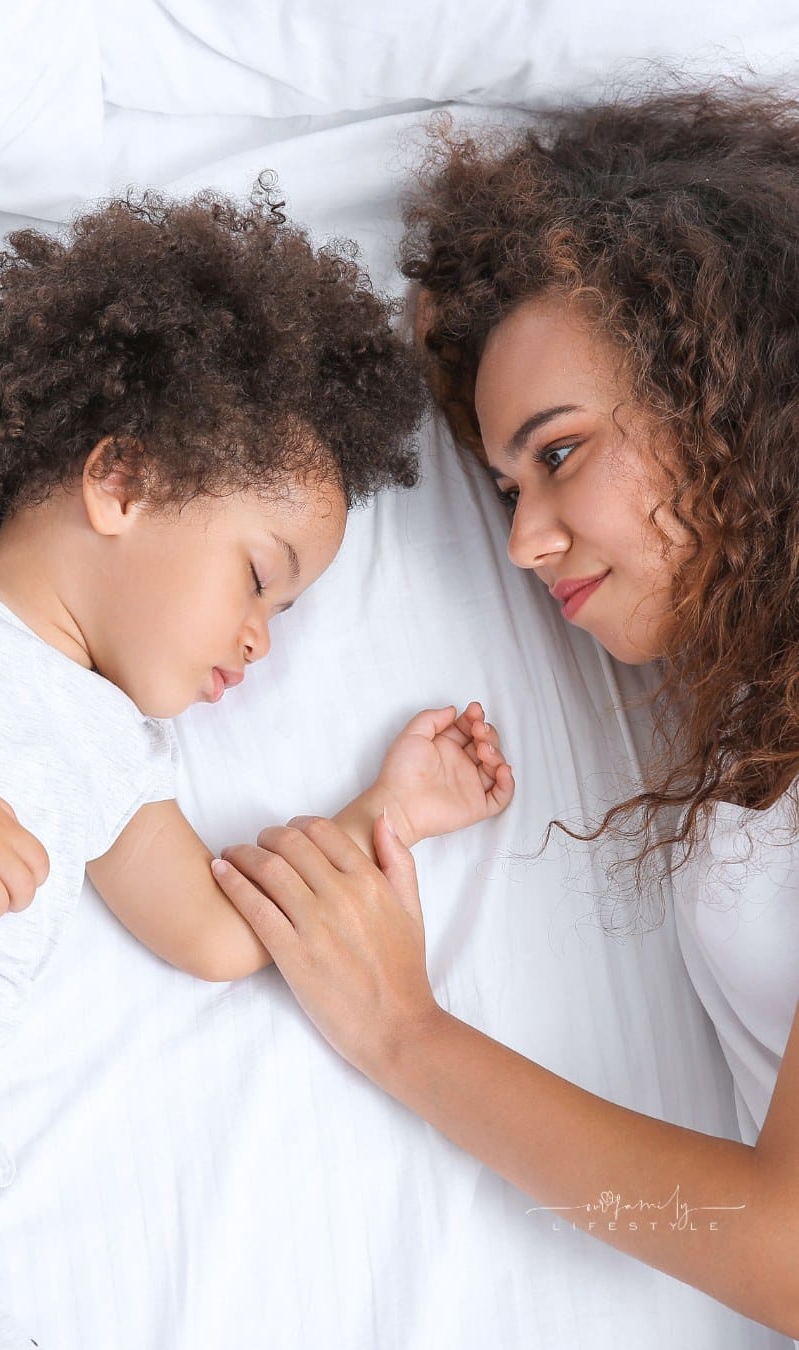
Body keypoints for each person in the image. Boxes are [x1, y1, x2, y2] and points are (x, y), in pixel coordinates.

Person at [208, 89, 799, 1339]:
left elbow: (783, 1250)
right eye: (503, 484)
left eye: (563, 452)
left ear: (734, 400)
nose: (525, 540)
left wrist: (404, 1032)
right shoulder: (757, 695)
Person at [0, 188, 514, 1348]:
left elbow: (220, 933)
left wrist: (391, 811)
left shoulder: (112, 751)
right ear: (120, 483)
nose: (260, 641)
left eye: (285, 610)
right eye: (258, 577)